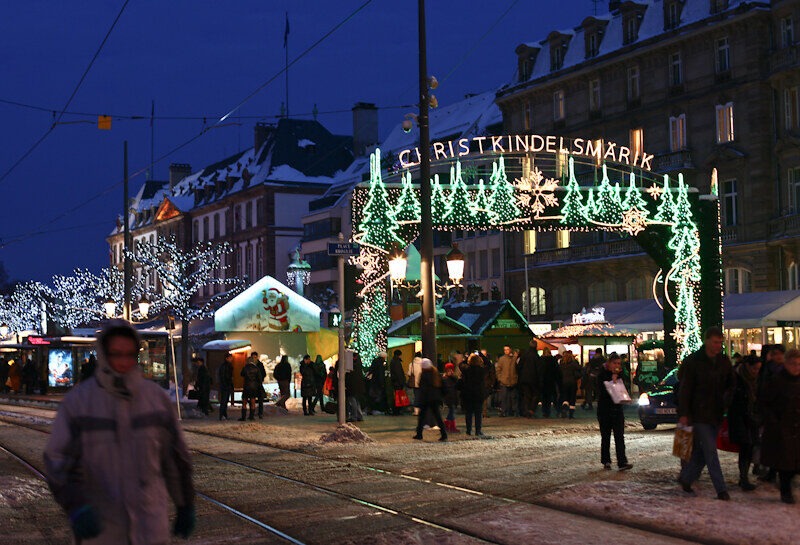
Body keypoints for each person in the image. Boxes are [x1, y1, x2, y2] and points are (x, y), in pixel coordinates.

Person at [44, 320, 195, 544]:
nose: (123, 362)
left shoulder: (156, 400)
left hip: (150, 527)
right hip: (102, 529)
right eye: (116, 354)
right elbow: (58, 461)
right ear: (104, 354)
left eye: (129, 354)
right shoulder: (79, 403)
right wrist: (77, 506)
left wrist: (184, 504)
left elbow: (174, 459)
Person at [677, 327, 734, 500]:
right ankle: (721, 489)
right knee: (710, 450)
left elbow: (731, 383)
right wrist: (684, 413)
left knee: (702, 453)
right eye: (716, 342)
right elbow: (685, 389)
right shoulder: (694, 361)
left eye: (720, 342)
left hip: (716, 412)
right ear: (707, 341)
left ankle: (686, 479)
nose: (718, 346)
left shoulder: (723, 361)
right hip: (699, 413)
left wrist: (726, 400)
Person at [760, 348, 800, 504]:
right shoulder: (777, 381)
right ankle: (785, 491)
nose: (797, 367)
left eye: (799, 364)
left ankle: (785, 486)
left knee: (794, 463)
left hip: (797, 427)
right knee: (786, 463)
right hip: (782, 428)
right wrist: (774, 421)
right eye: (794, 364)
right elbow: (765, 403)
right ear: (787, 364)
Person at [728, 354, 761, 491]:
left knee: (749, 447)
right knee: (745, 446)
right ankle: (743, 478)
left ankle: (744, 477)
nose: (756, 371)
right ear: (747, 366)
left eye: (758, 369)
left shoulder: (753, 379)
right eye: (754, 368)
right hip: (739, 418)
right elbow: (734, 400)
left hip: (750, 418)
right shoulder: (737, 379)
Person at [597, 353, 633, 470]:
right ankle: (606, 460)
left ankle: (622, 461)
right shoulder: (602, 374)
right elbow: (601, 392)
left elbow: (625, 388)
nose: (617, 366)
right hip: (605, 410)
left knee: (619, 436)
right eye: (615, 363)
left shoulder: (621, 375)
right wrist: (611, 382)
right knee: (606, 436)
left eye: (619, 363)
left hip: (617, 409)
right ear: (609, 363)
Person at [412, 358, 447, 442]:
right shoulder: (436, 373)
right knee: (438, 417)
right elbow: (442, 386)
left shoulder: (424, 374)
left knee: (421, 417)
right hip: (435, 398)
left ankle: (419, 434)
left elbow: (422, 388)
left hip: (426, 399)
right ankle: (444, 434)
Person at [461, 353, 486, 436]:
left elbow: (460, 364)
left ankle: (468, 430)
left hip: (468, 393)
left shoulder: (466, 369)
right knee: (478, 413)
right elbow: (489, 364)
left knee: (468, 413)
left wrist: (468, 357)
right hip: (478, 394)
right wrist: (481, 355)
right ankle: (478, 430)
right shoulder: (482, 370)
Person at [517, 341, 540, 418]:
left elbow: (519, 367)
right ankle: (531, 410)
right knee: (535, 395)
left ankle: (526, 410)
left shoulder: (524, 355)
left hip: (524, 379)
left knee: (526, 395)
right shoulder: (536, 356)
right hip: (534, 379)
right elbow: (538, 369)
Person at [495, 345, 518, 417]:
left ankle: (512, 411)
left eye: (507, 349)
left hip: (513, 381)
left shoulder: (514, 358)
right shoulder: (502, 359)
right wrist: (500, 378)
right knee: (504, 397)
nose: (506, 351)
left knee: (513, 397)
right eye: (505, 350)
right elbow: (498, 370)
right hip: (504, 381)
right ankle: (504, 411)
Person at [559, 350, 582, 419]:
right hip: (572, 382)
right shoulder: (573, 363)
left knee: (565, 397)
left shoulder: (561, 365)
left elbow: (558, 374)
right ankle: (571, 414)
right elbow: (580, 369)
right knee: (572, 398)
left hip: (564, 383)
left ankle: (564, 406)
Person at [239, 356, 261, 421]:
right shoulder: (256, 368)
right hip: (254, 387)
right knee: (253, 401)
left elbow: (242, 374)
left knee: (244, 401)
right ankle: (251, 416)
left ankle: (243, 417)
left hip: (246, 386)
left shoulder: (245, 368)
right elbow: (259, 378)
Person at [540, 348, 559, 417]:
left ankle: (545, 412)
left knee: (544, 398)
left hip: (543, 381)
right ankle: (558, 410)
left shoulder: (541, 360)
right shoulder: (553, 360)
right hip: (552, 381)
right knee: (554, 397)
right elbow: (557, 371)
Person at [345, 353, 365, 422]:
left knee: (352, 400)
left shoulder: (351, 365)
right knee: (356, 401)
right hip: (358, 386)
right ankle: (359, 415)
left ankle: (354, 416)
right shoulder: (359, 364)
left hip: (352, 385)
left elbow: (349, 376)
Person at [442, 362, 460, 433]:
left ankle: (448, 425)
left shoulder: (453, 378)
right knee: (451, 411)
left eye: (451, 370)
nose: (450, 371)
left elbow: (457, 383)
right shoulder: (444, 378)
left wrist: (452, 376)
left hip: (453, 397)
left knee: (452, 411)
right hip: (448, 397)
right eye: (449, 370)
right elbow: (445, 387)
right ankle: (450, 426)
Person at [248, 352, 266, 419]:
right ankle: (252, 413)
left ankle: (260, 413)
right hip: (252, 385)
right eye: (253, 357)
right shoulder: (249, 365)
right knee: (252, 399)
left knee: (260, 399)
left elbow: (264, 373)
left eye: (255, 357)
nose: (254, 359)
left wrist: (261, 379)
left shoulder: (260, 365)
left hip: (258, 384)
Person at [217, 353, 234, 420]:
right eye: (230, 358)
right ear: (227, 358)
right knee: (224, 401)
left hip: (226, 385)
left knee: (225, 401)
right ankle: (222, 415)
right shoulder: (226, 366)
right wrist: (227, 383)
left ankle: (223, 414)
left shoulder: (227, 365)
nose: (231, 359)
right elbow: (224, 376)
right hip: (226, 385)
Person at [389, 350, 406, 415]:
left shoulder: (393, 361)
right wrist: (402, 382)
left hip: (395, 382)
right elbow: (398, 373)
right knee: (398, 397)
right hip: (398, 382)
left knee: (396, 396)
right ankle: (397, 410)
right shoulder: (396, 362)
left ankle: (396, 410)